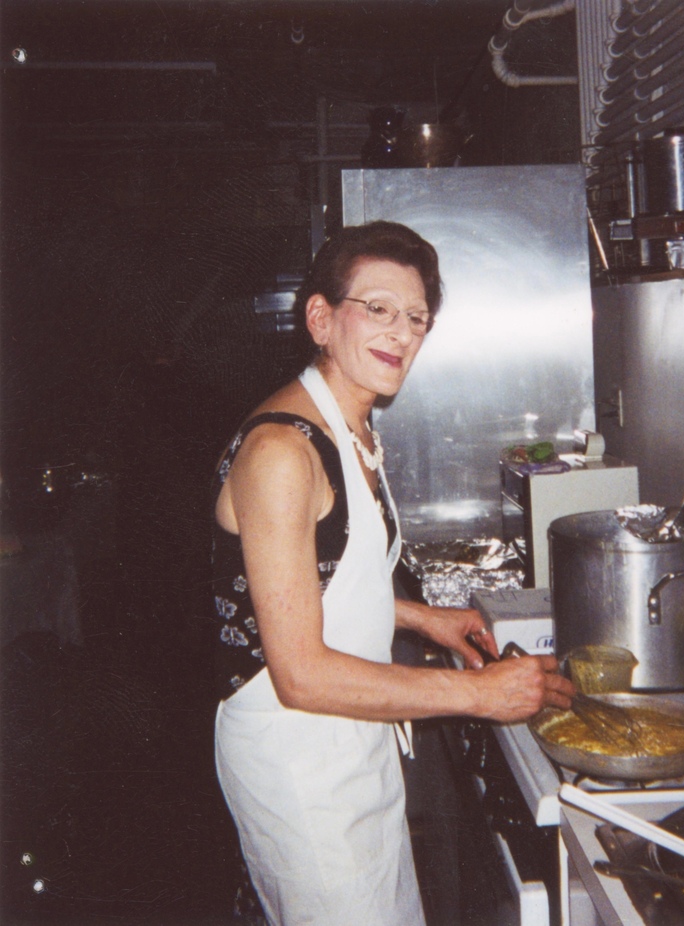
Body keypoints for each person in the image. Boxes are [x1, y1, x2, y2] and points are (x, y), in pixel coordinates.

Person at [211, 220, 574, 926]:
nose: (401, 333)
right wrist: (480, 696)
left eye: (416, 318)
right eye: (377, 308)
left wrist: (418, 616)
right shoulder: (284, 454)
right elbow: (302, 672)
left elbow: (316, 574)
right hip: (300, 755)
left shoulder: (351, 426)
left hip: (348, 735)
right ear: (320, 317)